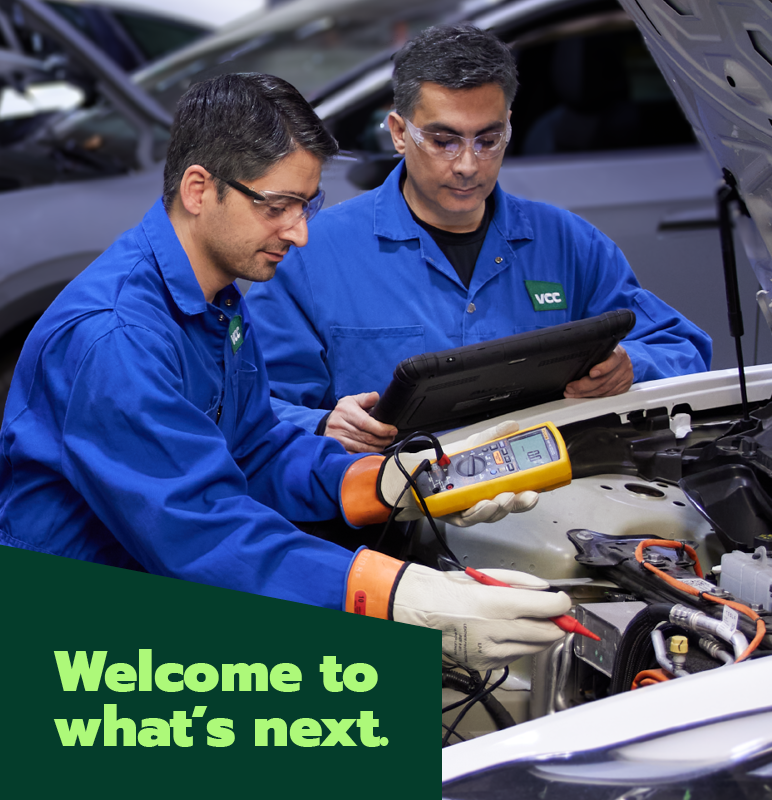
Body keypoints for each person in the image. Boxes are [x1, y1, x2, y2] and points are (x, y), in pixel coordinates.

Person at [0, 73, 571, 673]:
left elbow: (256, 450)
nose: (299, 233)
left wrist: (390, 482)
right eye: (278, 206)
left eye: (308, 205)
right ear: (200, 189)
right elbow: (203, 533)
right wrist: (397, 594)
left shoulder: (212, 295)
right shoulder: (116, 338)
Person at [246, 24, 713, 454]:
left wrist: (631, 364)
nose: (468, 164)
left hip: (553, 506)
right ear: (398, 133)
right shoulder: (311, 255)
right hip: (392, 516)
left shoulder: (570, 245)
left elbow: (683, 348)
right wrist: (324, 423)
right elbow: (250, 403)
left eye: (488, 140)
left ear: (509, 125)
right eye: (444, 140)